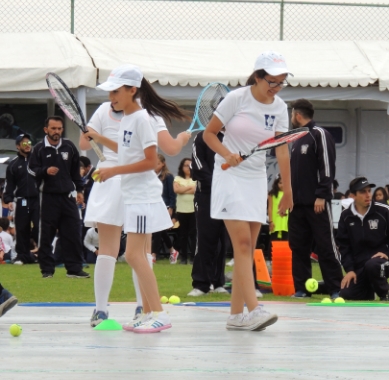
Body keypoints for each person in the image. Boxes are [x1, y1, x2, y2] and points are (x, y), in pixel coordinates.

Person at [81, 64, 190, 328]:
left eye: (116, 91)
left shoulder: (142, 118)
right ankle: (149, 313)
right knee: (133, 255)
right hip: (132, 194)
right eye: (110, 92)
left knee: (134, 255)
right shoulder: (130, 118)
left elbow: (150, 161)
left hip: (142, 195)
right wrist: (101, 142)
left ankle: (157, 314)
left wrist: (113, 170)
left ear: (133, 90)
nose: (111, 97)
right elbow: (127, 149)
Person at [203, 50, 293, 331]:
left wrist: (288, 190)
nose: (276, 87)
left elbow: (281, 150)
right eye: (272, 81)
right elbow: (208, 134)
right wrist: (227, 153)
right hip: (229, 175)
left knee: (249, 247)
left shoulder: (279, 107)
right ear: (257, 76)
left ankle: (235, 316)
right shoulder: (236, 99)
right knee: (242, 245)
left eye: (281, 82)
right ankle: (254, 309)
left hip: (255, 178)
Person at [288, 98, 343, 299]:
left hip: (317, 203)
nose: (291, 117)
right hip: (297, 205)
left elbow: (327, 166)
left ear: (298, 115)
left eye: (292, 113)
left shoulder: (319, 134)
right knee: (298, 246)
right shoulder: (295, 138)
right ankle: (301, 288)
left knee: (325, 246)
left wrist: (321, 195)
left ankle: (335, 288)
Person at [28, 116, 90, 279]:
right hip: (47, 197)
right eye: (53, 128)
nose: (57, 132)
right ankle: (47, 270)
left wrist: (80, 190)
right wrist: (45, 171)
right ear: (46, 129)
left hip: (67, 196)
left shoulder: (69, 146)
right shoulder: (39, 148)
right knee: (46, 234)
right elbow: (31, 170)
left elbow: (76, 171)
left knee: (73, 232)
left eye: (59, 128)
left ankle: (74, 269)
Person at [188, 129, 228, 296]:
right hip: (207, 195)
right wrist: (216, 184)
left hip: (228, 195)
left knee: (223, 240)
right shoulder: (202, 137)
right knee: (205, 239)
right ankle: (201, 283)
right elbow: (197, 165)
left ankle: (218, 282)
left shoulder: (233, 137)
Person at [337, 177, 389, 301]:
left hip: (383, 262)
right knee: (346, 294)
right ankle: (369, 291)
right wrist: (349, 270)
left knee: (372, 265)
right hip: (361, 267)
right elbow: (344, 247)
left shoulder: (383, 211)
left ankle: (384, 294)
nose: (368, 195)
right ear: (353, 196)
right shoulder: (345, 216)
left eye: (369, 191)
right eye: (362, 192)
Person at [3, 133, 39, 264]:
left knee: (38, 227)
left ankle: (41, 254)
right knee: (22, 227)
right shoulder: (13, 165)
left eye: (29, 143)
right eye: (24, 143)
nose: (27, 145)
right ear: (18, 146)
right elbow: (9, 184)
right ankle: (22, 256)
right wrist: (9, 199)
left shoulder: (37, 161)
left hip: (37, 199)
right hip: (22, 200)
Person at [151, 154, 179, 263]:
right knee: (160, 229)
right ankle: (172, 250)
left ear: (163, 164)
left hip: (164, 206)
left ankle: (153, 255)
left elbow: (172, 195)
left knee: (158, 229)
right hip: (153, 205)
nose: (155, 166)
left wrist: (171, 208)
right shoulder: (150, 176)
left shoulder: (168, 176)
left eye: (158, 163)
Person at [173, 158, 196, 265]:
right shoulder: (177, 178)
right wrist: (189, 187)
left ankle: (192, 257)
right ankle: (183, 258)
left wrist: (184, 189)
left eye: (190, 165)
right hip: (181, 210)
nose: (188, 167)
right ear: (182, 167)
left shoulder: (196, 178)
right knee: (182, 235)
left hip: (193, 209)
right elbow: (176, 190)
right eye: (185, 165)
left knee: (193, 234)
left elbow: (195, 190)